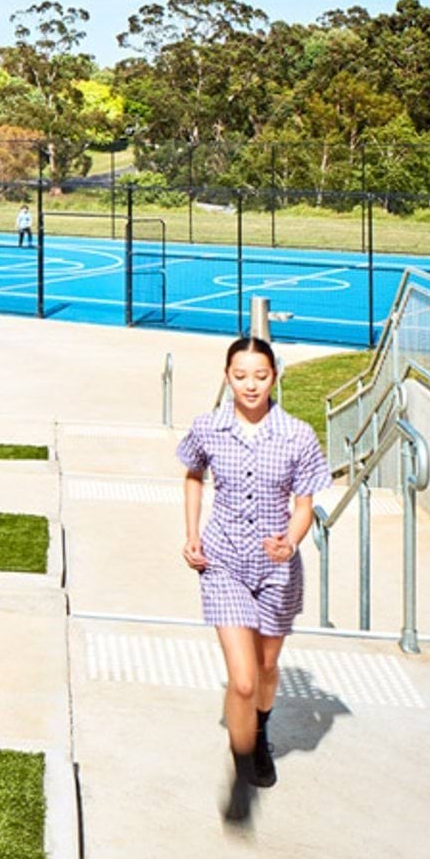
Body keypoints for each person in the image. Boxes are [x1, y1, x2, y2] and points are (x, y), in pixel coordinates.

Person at [178, 335, 331, 826]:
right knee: (242, 680)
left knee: (266, 669)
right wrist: (191, 534)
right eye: (240, 375)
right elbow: (192, 474)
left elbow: (305, 504)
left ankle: (259, 729)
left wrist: (290, 539)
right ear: (227, 376)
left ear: (275, 377)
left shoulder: (297, 435)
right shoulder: (209, 426)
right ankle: (243, 765)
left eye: (260, 376)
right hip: (222, 561)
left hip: (277, 567)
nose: (250, 385)